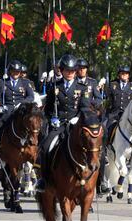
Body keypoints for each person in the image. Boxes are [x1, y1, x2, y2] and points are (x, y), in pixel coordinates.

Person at [36, 54, 99, 192]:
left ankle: (99, 183)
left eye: (72, 71)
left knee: (95, 147)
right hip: (59, 124)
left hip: (76, 125)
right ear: (62, 70)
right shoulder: (54, 86)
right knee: (45, 147)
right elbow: (48, 108)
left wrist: (78, 118)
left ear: (76, 71)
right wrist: (52, 118)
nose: (70, 73)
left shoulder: (83, 87)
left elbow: (85, 107)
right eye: (67, 70)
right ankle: (44, 179)